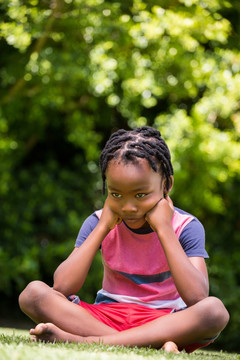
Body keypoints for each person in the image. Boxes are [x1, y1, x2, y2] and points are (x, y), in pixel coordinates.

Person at [19, 126, 229, 353]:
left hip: (165, 321)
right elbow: (62, 286)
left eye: (141, 195)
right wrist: (102, 227)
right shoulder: (98, 222)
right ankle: (152, 347)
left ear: (167, 184)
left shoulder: (186, 226)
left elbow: (197, 296)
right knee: (34, 294)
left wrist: (164, 229)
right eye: (116, 194)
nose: (128, 207)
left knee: (214, 311)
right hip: (106, 316)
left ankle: (84, 341)